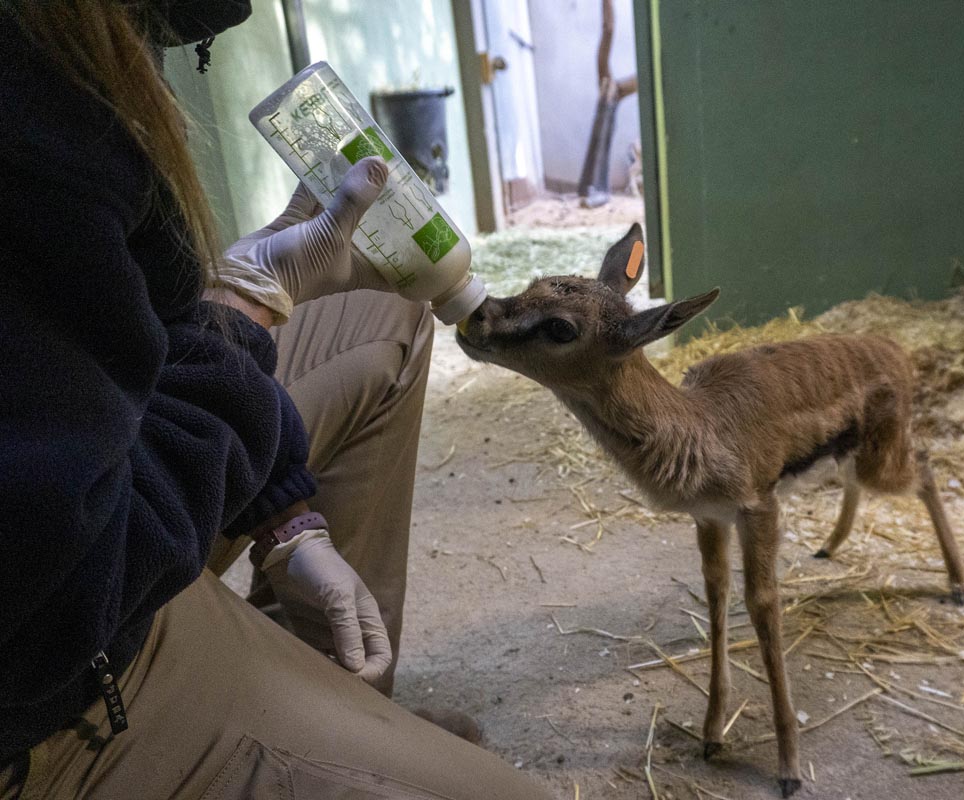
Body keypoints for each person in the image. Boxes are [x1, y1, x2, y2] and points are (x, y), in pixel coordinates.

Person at [0, 1, 552, 798]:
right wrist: (250, 308)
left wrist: (287, 517)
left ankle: (343, 692)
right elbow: (66, 580)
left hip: (104, 556)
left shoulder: (86, 38)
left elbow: (127, 340)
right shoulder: (30, 95)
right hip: (57, 674)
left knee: (382, 300)